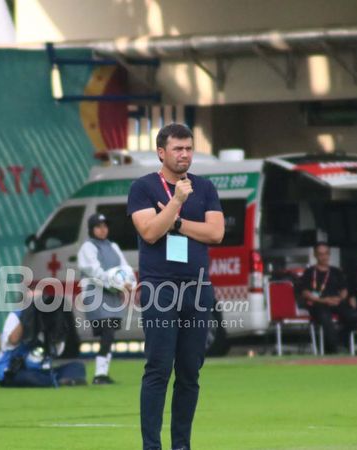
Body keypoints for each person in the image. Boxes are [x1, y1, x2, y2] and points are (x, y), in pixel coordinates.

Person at [128, 123, 224, 450]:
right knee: (158, 367)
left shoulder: (206, 188)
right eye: (177, 149)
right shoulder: (142, 188)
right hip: (160, 289)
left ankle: (181, 445)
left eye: (188, 148)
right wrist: (177, 202)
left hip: (197, 289)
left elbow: (216, 234)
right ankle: (151, 446)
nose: (184, 155)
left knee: (189, 372)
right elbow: (150, 232)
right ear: (161, 152)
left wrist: (178, 222)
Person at [77, 212, 136, 385]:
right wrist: (118, 284)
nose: (103, 230)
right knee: (107, 331)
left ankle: (102, 373)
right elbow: (95, 272)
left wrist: (128, 281)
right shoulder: (87, 247)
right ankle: (100, 374)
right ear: (91, 229)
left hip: (112, 293)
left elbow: (125, 267)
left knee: (109, 333)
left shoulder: (113, 246)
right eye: (98, 226)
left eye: (105, 226)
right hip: (96, 293)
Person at [0, 294, 86, 387]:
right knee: (30, 377)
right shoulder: (16, 316)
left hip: (41, 369)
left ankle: (55, 380)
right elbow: (12, 341)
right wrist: (27, 316)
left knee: (77, 366)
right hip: (14, 370)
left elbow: (57, 351)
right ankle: (58, 381)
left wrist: (57, 323)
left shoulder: (48, 320)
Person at [297, 242, 357, 354]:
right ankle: (334, 348)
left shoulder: (336, 271)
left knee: (353, 315)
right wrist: (323, 300)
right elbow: (305, 292)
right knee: (325, 318)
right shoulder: (309, 272)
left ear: (329, 254)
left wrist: (339, 299)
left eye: (326, 254)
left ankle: (341, 340)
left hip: (336, 302)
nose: (323, 257)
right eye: (320, 254)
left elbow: (344, 289)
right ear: (315, 255)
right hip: (318, 304)